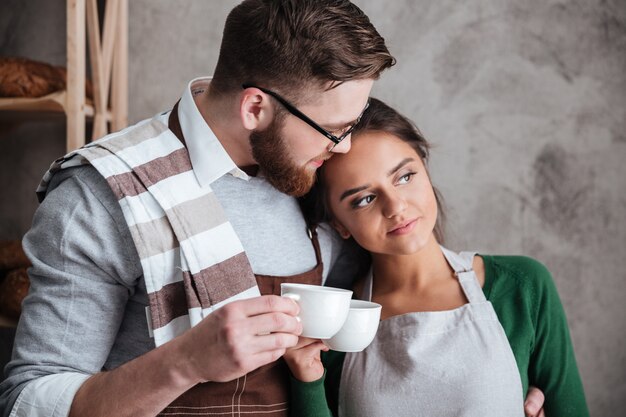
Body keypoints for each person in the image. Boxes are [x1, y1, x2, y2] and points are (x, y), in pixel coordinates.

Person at [0, 1, 394, 416]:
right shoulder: (100, 196)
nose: (345, 146)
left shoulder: (318, 173)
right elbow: (28, 401)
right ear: (255, 108)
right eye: (333, 130)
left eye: (352, 125)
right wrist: (184, 362)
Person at [286, 98, 589, 416]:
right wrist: (307, 382)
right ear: (339, 224)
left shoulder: (522, 286)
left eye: (404, 177)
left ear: (425, 167)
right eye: (365, 199)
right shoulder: (333, 325)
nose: (396, 207)